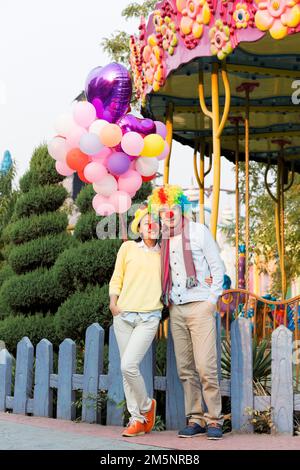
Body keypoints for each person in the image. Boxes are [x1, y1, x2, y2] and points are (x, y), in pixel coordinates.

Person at [148, 185, 225, 440]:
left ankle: (214, 419)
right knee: (185, 369)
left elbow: (218, 267)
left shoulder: (198, 232)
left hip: (200, 305)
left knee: (205, 367)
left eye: (172, 208)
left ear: (181, 208)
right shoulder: (164, 239)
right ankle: (196, 419)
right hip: (177, 309)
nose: (168, 214)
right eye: (162, 210)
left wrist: (211, 301)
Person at [109, 204, 162, 437]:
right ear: (139, 228)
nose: (152, 226)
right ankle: (137, 420)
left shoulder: (166, 254)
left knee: (127, 365)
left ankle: (146, 407)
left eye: (155, 222)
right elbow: (116, 278)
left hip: (149, 317)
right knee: (125, 370)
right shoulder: (128, 248)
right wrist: (114, 302)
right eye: (146, 222)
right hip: (123, 315)